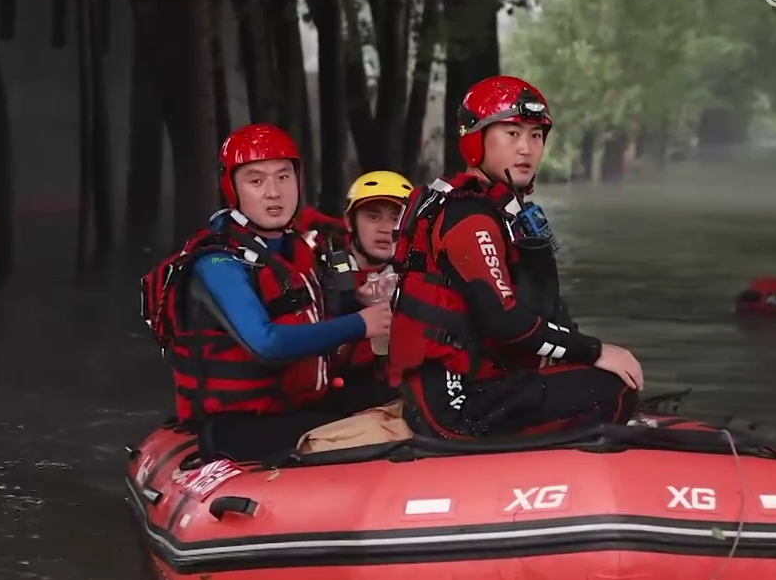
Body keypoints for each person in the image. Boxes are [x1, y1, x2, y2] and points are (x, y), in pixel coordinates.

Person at [387, 75, 643, 440]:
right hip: (457, 409)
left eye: (536, 135)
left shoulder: (502, 211)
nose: (527, 149)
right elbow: (503, 319)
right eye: (512, 133)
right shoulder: (469, 217)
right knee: (613, 390)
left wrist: (577, 350)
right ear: (475, 139)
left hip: (487, 387)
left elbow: (545, 309)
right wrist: (595, 351)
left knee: (599, 376)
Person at [140, 124, 394, 458]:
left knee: (403, 398)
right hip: (239, 427)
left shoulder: (297, 249)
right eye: (256, 181)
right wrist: (361, 323)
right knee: (386, 433)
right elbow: (266, 344)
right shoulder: (217, 263)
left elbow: (320, 313)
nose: (274, 192)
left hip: (294, 406)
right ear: (232, 188)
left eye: (283, 177)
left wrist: (363, 301)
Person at [328, 171, 414, 393]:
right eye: (373, 217)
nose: (385, 228)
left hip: (392, 397)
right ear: (350, 221)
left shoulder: (419, 277)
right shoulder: (320, 269)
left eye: (395, 218)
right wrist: (354, 302)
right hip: (331, 399)